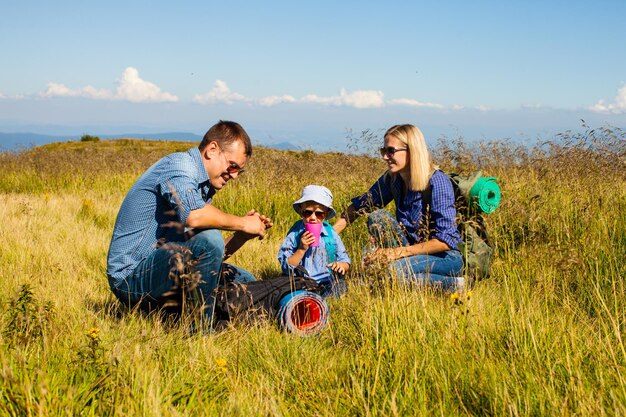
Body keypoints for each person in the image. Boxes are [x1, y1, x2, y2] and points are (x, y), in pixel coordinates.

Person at [107, 120, 273, 328]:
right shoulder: (179, 166)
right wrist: (242, 223)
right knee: (210, 239)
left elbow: (207, 257)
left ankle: (183, 315)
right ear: (212, 149)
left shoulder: (203, 188)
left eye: (240, 171)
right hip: (131, 280)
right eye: (232, 166)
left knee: (245, 281)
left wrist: (241, 236)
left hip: (163, 271)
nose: (235, 176)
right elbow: (194, 216)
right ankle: (199, 331)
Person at [333, 124, 464, 291]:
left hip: (444, 257)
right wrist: (328, 234)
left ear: (412, 151)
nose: (385, 157)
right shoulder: (392, 179)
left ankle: (454, 285)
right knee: (378, 217)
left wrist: (396, 253)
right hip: (409, 251)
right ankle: (418, 280)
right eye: (383, 151)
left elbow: (446, 240)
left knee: (392, 271)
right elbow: (361, 206)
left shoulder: (437, 182)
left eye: (390, 151)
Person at [278, 185, 351, 297]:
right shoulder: (295, 234)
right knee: (285, 289)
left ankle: (322, 302)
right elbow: (286, 267)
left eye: (319, 214)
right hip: (300, 281)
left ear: (325, 215)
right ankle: (306, 300)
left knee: (340, 286)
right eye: (308, 212)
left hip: (326, 281)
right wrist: (301, 250)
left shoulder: (331, 234)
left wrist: (341, 265)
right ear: (301, 212)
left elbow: (345, 260)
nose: (313, 217)